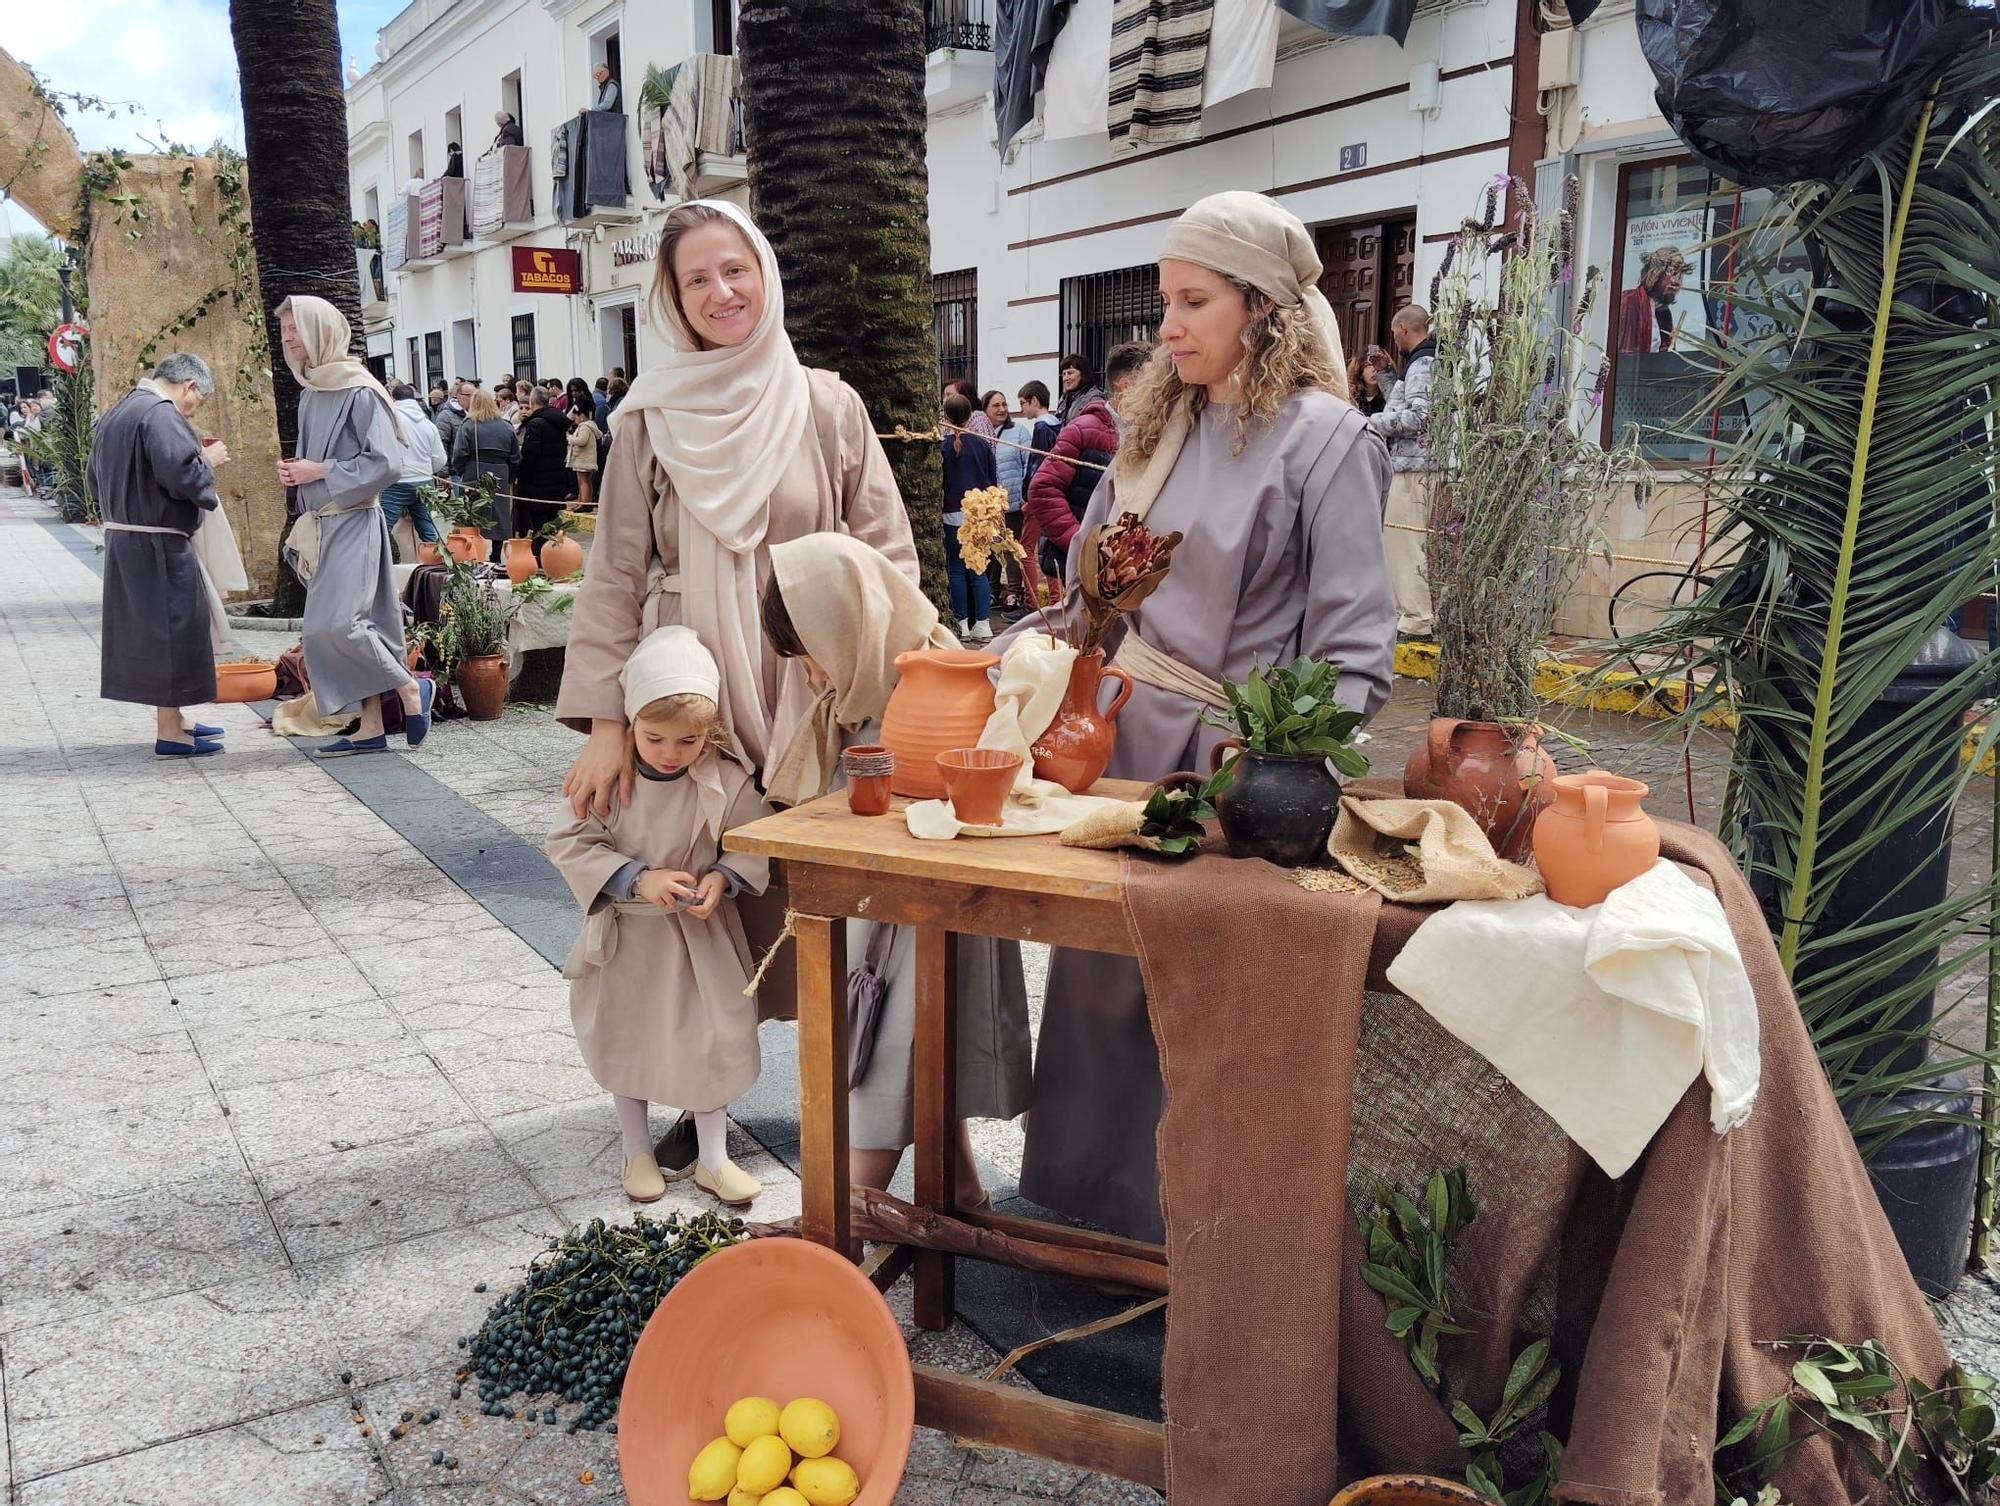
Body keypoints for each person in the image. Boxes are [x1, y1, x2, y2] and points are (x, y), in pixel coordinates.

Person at [996, 190, 1395, 1242]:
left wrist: (1286, 785)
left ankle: (1206, 1239)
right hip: (1116, 750)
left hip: (1234, 772)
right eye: (1165, 301)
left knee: (1207, 1014)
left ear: (1260, 309)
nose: (1164, 327)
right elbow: (1088, 597)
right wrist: (999, 663)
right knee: (1098, 988)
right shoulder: (1156, 429)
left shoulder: (1325, 441)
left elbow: (1354, 648)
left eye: (1190, 302)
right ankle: (1086, 1221)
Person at [559, 197, 917, 795]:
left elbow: (889, 558)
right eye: (696, 279)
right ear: (674, 297)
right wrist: (604, 725)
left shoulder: (827, 407)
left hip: (815, 676)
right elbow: (614, 575)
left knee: (815, 870)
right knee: (702, 873)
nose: (720, 292)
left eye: (734, 270)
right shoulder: (649, 420)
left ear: (764, 272)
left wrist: (893, 681)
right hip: (690, 689)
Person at [759, 532, 1030, 1215]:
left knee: (889, 1044)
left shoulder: (931, 680)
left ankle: (849, 1209)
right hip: (889, 901)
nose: (814, 676)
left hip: (921, 898)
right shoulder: (867, 675)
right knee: (909, 1039)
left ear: (845, 621)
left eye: (811, 656)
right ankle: (961, 1191)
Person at [545, 625, 772, 1207]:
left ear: (709, 733)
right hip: (629, 937)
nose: (671, 754)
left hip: (700, 938)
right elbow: (571, 841)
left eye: (688, 741)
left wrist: (722, 877)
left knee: (710, 1041)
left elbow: (750, 838)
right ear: (630, 724)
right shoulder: (606, 775)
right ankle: (636, 1148)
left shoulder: (721, 777)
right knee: (629, 1035)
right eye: (654, 739)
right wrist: (638, 877)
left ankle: (715, 1157)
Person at [277, 295, 435, 757]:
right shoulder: (312, 390)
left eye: (295, 328)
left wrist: (321, 471)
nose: (287, 338)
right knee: (365, 624)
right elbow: (316, 462)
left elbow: (388, 462)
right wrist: (297, 474)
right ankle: (369, 727)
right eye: (285, 329)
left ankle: (410, 689)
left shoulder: (360, 389)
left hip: (354, 521)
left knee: (338, 626)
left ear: (320, 330)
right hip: (324, 525)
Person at [92, 353, 244, 757]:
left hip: (128, 539)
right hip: (158, 542)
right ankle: (170, 732)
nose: (193, 410)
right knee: (174, 632)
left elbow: (94, 476)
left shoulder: (120, 410)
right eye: (198, 401)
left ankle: (177, 719)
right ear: (188, 386)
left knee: (159, 633)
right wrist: (207, 461)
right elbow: (182, 476)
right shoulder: (160, 413)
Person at [1024, 339, 1149, 564]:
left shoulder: (1150, 433)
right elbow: (1042, 488)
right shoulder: (1083, 428)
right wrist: (1082, 545)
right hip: (1086, 570)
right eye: (1152, 382)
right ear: (1126, 386)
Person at [1366, 303, 1437, 639]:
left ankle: (1417, 619)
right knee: (1399, 542)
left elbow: (1420, 417)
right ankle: (1408, 615)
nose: (1393, 337)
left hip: (1415, 468)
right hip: (1413, 466)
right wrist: (1386, 375)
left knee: (1405, 543)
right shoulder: (1419, 361)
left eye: (1395, 331)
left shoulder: (1423, 362)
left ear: (1404, 329)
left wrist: (1369, 422)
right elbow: (1404, 402)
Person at [939, 390, 997, 640]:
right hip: (979, 513)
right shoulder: (982, 444)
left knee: (956, 569)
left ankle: (961, 622)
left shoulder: (942, 447)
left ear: (946, 417)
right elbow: (992, 479)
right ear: (970, 416)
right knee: (979, 569)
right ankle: (983, 623)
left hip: (952, 512)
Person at [450, 386, 522, 552]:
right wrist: (509, 476)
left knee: (473, 514)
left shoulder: (468, 425)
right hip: (500, 475)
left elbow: (459, 453)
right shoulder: (506, 426)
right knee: (500, 514)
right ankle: (496, 555)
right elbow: (515, 456)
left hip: (474, 472)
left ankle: (474, 552)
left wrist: (461, 471)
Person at [382, 383, 447, 552]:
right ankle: (436, 564)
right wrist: (426, 469)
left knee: (382, 530)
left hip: (396, 482)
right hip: (424, 482)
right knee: (428, 530)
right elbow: (441, 458)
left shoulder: (389, 420)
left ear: (393, 398)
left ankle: (382, 566)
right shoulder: (428, 425)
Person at [986, 389, 1032, 612]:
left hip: (1013, 502)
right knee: (992, 549)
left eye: (1004, 404)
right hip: (989, 505)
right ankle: (993, 591)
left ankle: (1015, 592)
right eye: (996, 405)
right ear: (985, 409)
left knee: (1011, 549)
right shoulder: (981, 433)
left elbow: (1028, 464)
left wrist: (1025, 495)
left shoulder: (1019, 432)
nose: (1002, 409)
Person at [515, 385, 574, 536]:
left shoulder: (536, 424)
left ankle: (541, 557)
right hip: (556, 482)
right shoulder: (558, 421)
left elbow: (530, 456)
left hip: (537, 486)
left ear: (533, 402)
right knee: (552, 525)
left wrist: (520, 473)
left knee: (539, 528)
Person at [1618, 245, 1689, 354]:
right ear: (1655, 273)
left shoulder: (1663, 313)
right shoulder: (1628, 301)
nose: (1676, 281)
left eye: (1680, 274)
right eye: (1671, 272)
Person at [567, 402, 603, 511]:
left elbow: (582, 441)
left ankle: (585, 503)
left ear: (582, 416)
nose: (575, 419)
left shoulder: (585, 427)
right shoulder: (586, 426)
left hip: (583, 459)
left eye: (576, 416)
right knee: (583, 481)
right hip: (582, 459)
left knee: (584, 481)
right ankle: (582, 501)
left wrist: (569, 438)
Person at [1055, 353, 1102, 425]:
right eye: (1064, 374)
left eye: (1070, 373)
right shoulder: (1064, 399)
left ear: (1083, 374)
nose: (1066, 378)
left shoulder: (1094, 399)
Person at [435, 378, 469, 456]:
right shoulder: (446, 415)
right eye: (455, 384)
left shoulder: (476, 414)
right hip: (455, 465)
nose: (454, 387)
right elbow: (442, 444)